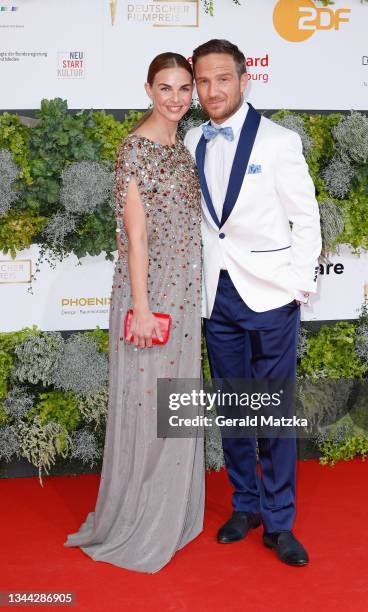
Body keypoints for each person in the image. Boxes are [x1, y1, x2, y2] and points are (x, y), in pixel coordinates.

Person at [64, 52, 204, 573]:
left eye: (183, 89)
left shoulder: (182, 148)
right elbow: (136, 235)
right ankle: (138, 520)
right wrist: (142, 308)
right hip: (149, 296)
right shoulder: (133, 151)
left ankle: (171, 512)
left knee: (176, 402)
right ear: (147, 89)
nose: (175, 99)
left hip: (186, 296)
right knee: (148, 407)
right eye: (165, 88)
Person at [184, 39, 322, 566]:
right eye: (203, 81)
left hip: (270, 296)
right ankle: (245, 504)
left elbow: (306, 218)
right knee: (235, 408)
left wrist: (297, 285)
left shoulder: (279, 141)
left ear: (246, 80)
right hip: (216, 297)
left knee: (275, 415)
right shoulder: (193, 138)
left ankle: (280, 521)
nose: (212, 90)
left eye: (223, 79)